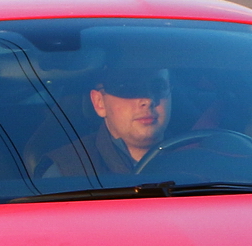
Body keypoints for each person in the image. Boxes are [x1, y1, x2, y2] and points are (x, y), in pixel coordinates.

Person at [43, 66, 172, 177]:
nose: (147, 100)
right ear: (100, 103)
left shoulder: (191, 158)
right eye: (128, 88)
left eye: (158, 87)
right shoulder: (68, 172)